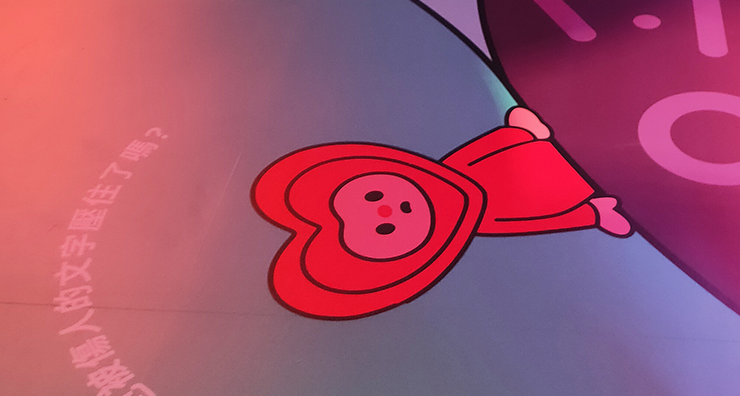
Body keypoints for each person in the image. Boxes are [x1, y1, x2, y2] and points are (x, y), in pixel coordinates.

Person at [252, 105, 631, 320]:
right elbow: (535, 223)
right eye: (385, 230)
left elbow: (478, 152)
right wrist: (591, 215)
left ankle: (534, 141)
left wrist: (521, 134)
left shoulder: (453, 174)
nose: (386, 209)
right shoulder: (483, 219)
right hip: (569, 189)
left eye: (373, 197)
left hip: (533, 155)